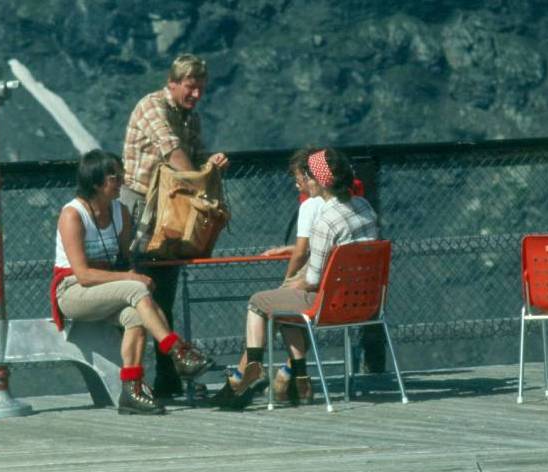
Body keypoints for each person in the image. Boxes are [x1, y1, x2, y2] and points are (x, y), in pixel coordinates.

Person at [212, 148, 379, 410]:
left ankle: (253, 367)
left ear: (321, 181)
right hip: (365, 301)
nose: (305, 181)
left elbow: (312, 279)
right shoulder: (364, 207)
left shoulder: (326, 221)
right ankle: (292, 378)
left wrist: (290, 285)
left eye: (309, 176)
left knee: (258, 302)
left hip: (329, 303)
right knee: (282, 300)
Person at [50, 149, 214, 415]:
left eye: (121, 175)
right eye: (115, 178)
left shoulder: (120, 212)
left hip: (107, 289)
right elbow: (83, 274)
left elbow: (125, 260)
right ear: (96, 182)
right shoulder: (73, 215)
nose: (122, 182)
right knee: (137, 288)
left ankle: (132, 390)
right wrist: (131, 278)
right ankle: (177, 351)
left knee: (135, 316)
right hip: (73, 291)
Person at [121, 53, 229, 398]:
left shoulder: (190, 117)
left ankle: (166, 376)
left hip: (170, 206)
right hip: (139, 205)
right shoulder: (153, 107)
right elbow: (175, 154)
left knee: (164, 291)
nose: (196, 95)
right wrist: (201, 182)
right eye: (190, 87)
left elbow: (194, 156)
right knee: (139, 288)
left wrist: (210, 164)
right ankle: (138, 374)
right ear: (173, 83)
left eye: (200, 89)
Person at [224, 148, 326, 404]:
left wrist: (288, 278)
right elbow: (324, 246)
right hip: (346, 295)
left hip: (315, 287)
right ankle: (290, 377)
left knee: (268, 304)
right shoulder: (355, 207)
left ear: (311, 176)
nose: (296, 183)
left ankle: (246, 374)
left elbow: (302, 251)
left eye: (298, 177)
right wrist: (288, 249)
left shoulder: (311, 206)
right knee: (285, 309)